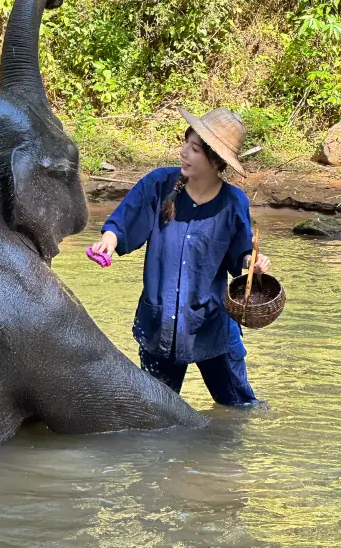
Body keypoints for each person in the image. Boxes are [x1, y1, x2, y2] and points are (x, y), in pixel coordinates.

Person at [91, 107, 271, 407]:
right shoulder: (159, 184)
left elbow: (240, 255)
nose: (184, 152)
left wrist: (253, 263)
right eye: (185, 143)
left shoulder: (232, 202)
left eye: (195, 148)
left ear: (216, 162)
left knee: (240, 409)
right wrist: (109, 238)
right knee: (155, 417)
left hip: (211, 327)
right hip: (159, 324)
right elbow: (125, 220)